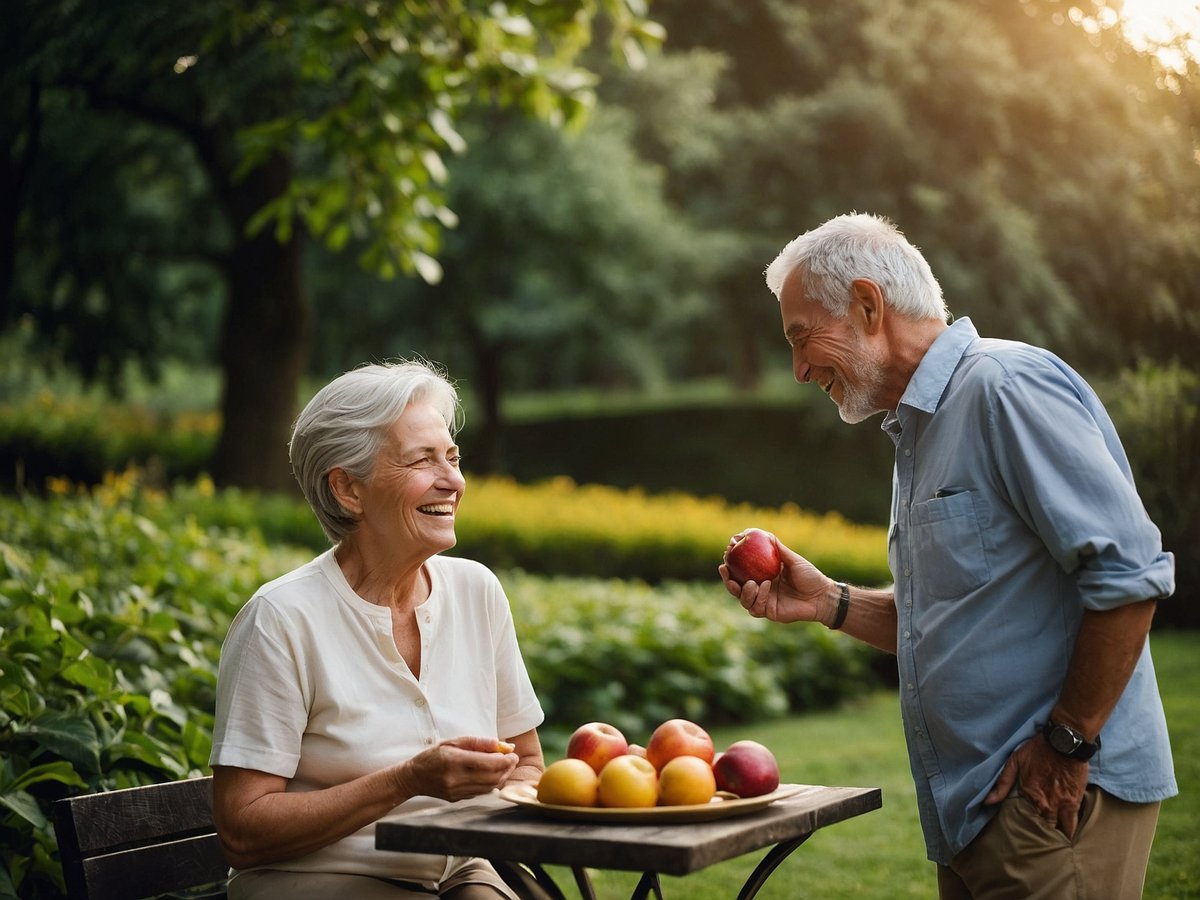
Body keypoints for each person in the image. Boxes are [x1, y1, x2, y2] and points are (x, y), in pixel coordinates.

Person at [720, 213, 1176, 899]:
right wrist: (829, 603)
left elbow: (1129, 576)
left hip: (1054, 806)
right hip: (980, 817)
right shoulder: (920, 427)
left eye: (802, 337)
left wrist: (1066, 745)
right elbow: (951, 615)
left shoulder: (1002, 387)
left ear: (869, 305)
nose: (798, 369)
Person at [210, 360, 547, 899]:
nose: (454, 481)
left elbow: (525, 765)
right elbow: (243, 831)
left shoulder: (476, 592)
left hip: (462, 873)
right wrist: (407, 780)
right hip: (316, 882)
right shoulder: (280, 618)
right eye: (423, 460)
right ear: (348, 488)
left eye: (453, 458)